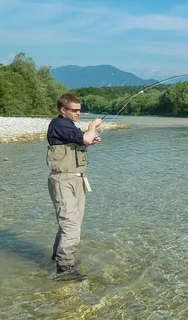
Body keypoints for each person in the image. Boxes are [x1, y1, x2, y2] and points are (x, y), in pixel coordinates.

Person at [46, 93, 102, 282]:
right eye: (75, 110)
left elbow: (81, 141)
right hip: (63, 181)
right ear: (63, 110)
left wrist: (89, 140)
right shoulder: (59, 123)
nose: (79, 113)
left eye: (80, 110)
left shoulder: (68, 126)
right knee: (70, 223)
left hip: (77, 180)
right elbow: (84, 138)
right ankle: (65, 269)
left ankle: (59, 259)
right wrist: (92, 127)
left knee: (72, 222)